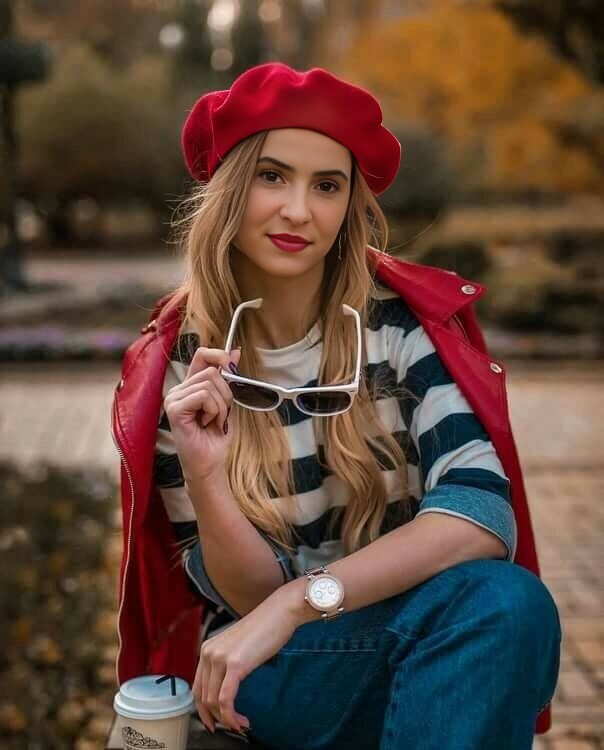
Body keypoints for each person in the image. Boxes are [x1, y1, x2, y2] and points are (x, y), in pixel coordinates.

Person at [112, 62, 561, 750]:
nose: (299, 210)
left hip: (408, 630)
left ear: (349, 204)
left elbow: (481, 512)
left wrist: (302, 600)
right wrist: (205, 474)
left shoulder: (398, 328)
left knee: (507, 603)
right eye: (272, 176)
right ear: (230, 188)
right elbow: (246, 599)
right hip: (277, 672)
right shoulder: (183, 362)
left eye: (327, 185)